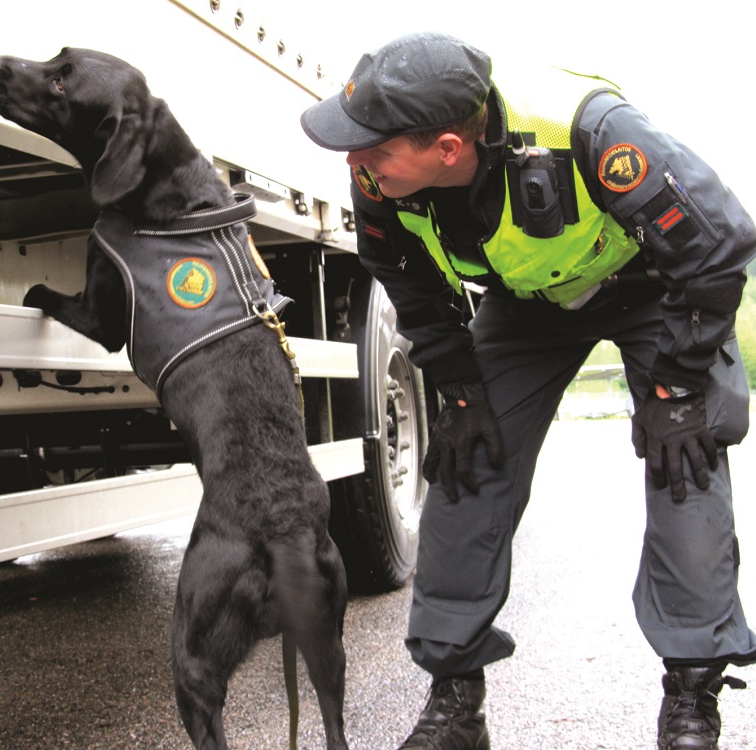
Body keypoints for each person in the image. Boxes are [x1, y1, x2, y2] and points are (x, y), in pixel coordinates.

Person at [301, 31, 756, 749]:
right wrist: (455, 387)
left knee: (685, 459)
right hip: (529, 302)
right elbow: (411, 288)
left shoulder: (596, 134)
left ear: (448, 148)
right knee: (464, 462)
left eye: (374, 147)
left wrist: (675, 390)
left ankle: (692, 696)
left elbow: (719, 245)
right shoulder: (380, 178)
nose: (355, 160)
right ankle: (456, 701)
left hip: (657, 291)